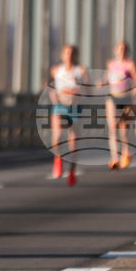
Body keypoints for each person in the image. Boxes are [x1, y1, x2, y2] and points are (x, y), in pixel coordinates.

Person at [49, 45, 88, 186]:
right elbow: (50, 87)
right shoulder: (56, 70)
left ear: (76, 56)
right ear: (62, 55)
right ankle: (58, 158)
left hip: (75, 107)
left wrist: (80, 86)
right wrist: (53, 96)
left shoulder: (81, 71)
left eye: (72, 53)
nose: (69, 56)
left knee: (73, 143)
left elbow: (89, 91)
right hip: (60, 106)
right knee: (57, 137)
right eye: (66, 53)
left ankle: (72, 170)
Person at [105, 42, 136, 171]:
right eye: (120, 49)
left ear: (128, 51)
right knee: (113, 127)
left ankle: (126, 150)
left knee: (124, 130)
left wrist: (134, 89)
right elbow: (106, 77)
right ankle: (114, 158)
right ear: (115, 50)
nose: (122, 51)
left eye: (124, 49)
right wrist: (101, 83)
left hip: (127, 98)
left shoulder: (130, 64)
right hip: (113, 97)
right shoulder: (111, 63)